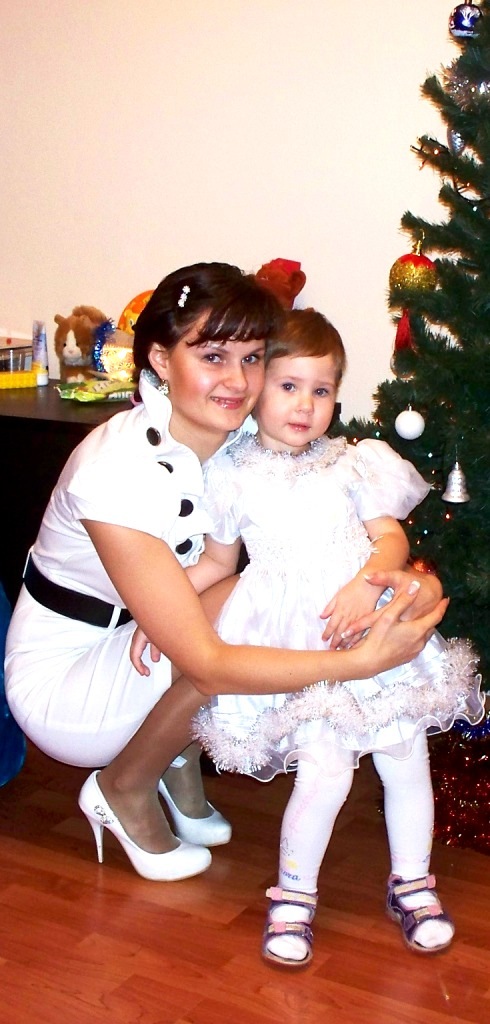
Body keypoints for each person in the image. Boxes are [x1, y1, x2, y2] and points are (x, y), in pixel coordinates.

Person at [5, 264, 448, 886]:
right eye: (213, 356)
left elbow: (337, 533)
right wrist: (358, 662)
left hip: (139, 627)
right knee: (247, 608)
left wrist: (413, 580)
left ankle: (174, 756)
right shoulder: (115, 472)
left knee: (255, 594)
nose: (238, 381)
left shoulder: (237, 430)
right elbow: (213, 659)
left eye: (252, 358)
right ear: (161, 359)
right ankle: (124, 786)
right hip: (69, 674)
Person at [135, 307, 481, 960]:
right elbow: (217, 562)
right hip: (297, 644)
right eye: (289, 386)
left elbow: (390, 538)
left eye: (321, 390)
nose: (305, 405)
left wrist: (369, 582)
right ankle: (294, 895)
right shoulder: (228, 472)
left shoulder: (353, 463)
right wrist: (161, 611)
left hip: (370, 627)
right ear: (257, 385)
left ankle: (412, 882)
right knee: (325, 769)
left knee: (405, 755)